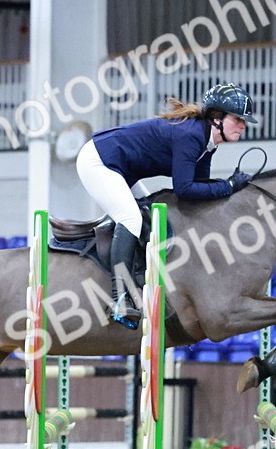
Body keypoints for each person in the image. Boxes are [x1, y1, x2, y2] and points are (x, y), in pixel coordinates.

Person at [75, 82, 257, 329]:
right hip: (99, 162)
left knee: (150, 215)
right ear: (217, 118)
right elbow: (184, 189)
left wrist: (230, 190)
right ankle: (119, 299)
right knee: (131, 219)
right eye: (238, 119)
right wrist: (228, 186)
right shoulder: (191, 136)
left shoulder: (207, 144)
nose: (244, 125)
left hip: (123, 170)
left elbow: (197, 192)